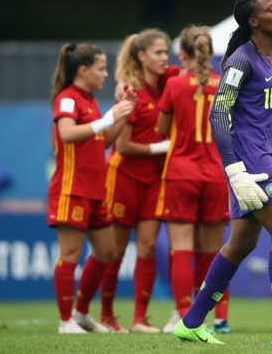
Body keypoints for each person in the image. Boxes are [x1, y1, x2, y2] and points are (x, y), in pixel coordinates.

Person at [173, 0, 272, 345]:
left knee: (240, 244)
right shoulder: (242, 59)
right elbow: (218, 111)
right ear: (254, 21)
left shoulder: (268, 58)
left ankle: (191, 322)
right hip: (252, 163)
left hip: (258, 158)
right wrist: (235, 171)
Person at [47, 43, 134, 334]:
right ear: (83, 70)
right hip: (72, 189)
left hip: (96, 191)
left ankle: (82, 313)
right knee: (70, 254)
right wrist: (107, 118)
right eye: (101, 68)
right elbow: (67, 133)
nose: (106, 74)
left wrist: (122, 113)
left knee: (107, 252)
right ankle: (64, 322)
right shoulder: (68, 98)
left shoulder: (89, 100)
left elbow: (104, 140)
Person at [156, 25, 231, 334]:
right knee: (213, 252)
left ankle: (185, 314)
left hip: (180, 174)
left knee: (182, 249)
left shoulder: (174, 85)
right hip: (215, 174)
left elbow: (162, 130)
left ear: (182, 54)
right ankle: (214, 317)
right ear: (211, 53)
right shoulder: (224, 84)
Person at [100, 28, 172, 333]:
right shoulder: (130, 91)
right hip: (124, 176)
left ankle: (140, 319)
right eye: (158, 52)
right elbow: (124, 147)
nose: (164, 58)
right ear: (141, 56)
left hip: (155, 181)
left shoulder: (170, 83)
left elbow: (193, 67)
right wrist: (162, 147)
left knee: (147, 248)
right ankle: (106, 315)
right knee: (115, 250)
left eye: (167, 52)